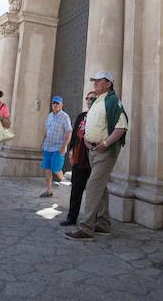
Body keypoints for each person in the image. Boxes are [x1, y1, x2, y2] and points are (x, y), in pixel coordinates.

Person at [64, 71, 127, 241]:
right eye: (95, 81)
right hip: (92, 150)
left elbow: (121, 127)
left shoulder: (112, 100)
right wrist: (86, 139)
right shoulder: (98, 101)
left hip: (105, 151)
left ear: (108, 83)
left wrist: (105, 143)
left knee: (92, 186)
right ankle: (104, 224)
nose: (95, 83)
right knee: (101, 187)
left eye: (99, 81)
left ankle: (86, 228)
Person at [60, 90, 96, 226]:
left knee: (93, 191)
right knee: (76, 189)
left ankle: (93, 219)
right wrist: (70, 151)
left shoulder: (98, 116)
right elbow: (75, 135)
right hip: (78, 158)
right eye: (88, 98)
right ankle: (72, 218)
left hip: (92, 158)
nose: (89, 100)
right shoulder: (81, 116)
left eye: (92, 98)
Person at [39, 96, 71, 198]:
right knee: (47, 168)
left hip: (58, 147)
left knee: (56, 168)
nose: (55, 105)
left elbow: (69, 132)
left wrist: (64, 146)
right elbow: (47, 131)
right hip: (48, 146)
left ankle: (67, 187)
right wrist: (43, 142)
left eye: (57, 103)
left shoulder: (65, 116)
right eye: (53, 103)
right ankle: (49, 191)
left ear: (61, 105)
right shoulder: (50, 116)